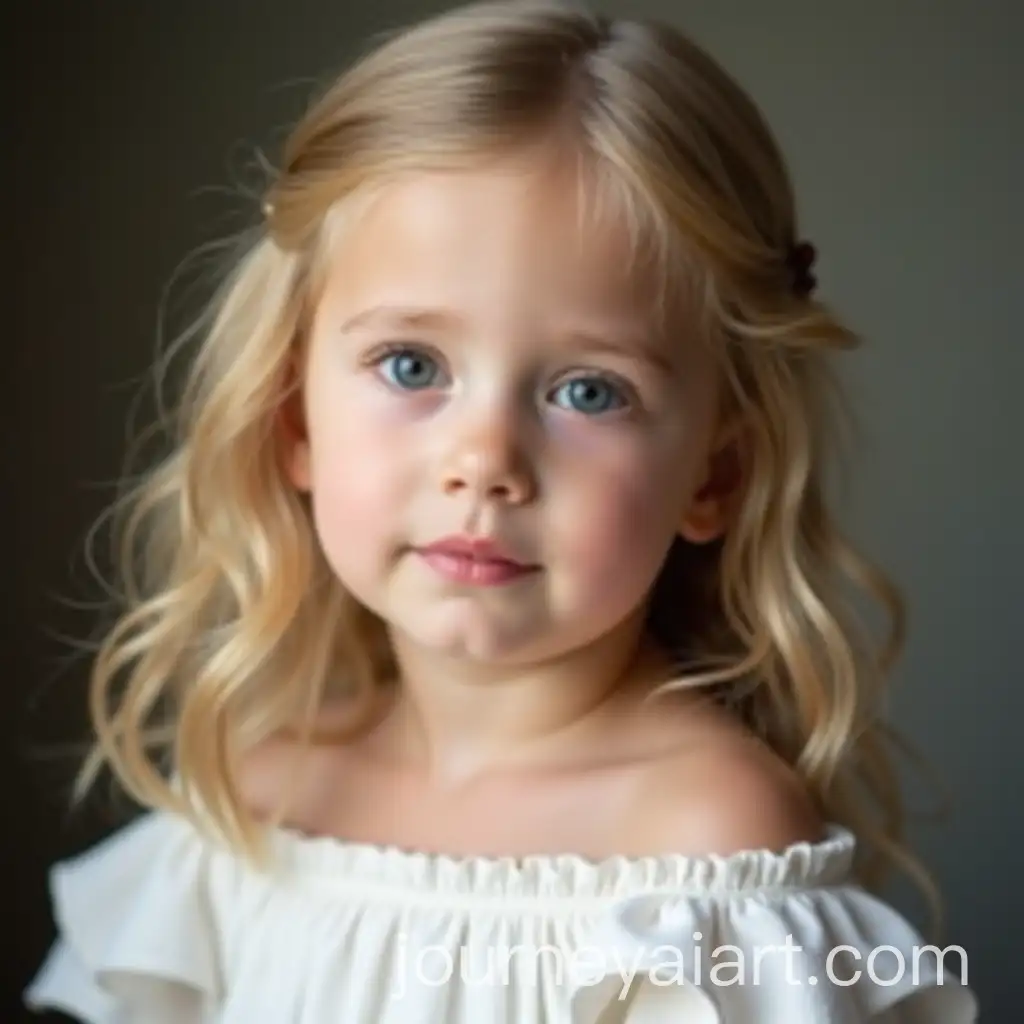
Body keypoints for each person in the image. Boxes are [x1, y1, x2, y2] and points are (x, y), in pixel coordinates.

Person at [24, 1, 978, 1020]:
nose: (484, 462)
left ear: (715, 476)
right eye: (411, 365)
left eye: (589, 390)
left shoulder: (702, 848)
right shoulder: (253, 801)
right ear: (291, 417)